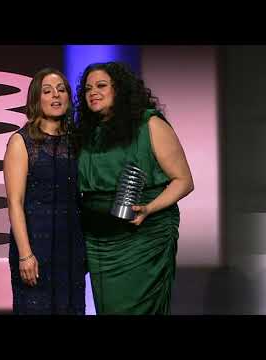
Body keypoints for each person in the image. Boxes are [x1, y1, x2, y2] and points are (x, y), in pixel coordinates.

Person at [75, 61, 194, 315]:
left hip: (144, 237)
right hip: (99, 241)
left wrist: (149, 208)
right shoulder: (85, 134)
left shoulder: (149, 125)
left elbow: (184, 181)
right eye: (87, 89)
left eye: (101, 86)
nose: (93, 92)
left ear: (119, 90)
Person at [3, 68, 86, 314]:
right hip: (34, 246)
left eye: (61, 90)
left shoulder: (78, 140)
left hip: (71, 246)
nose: (56, 96)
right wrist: (26, 254)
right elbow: (14, 202)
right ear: (36, 99)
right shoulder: (21, 141)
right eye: (47, 91)